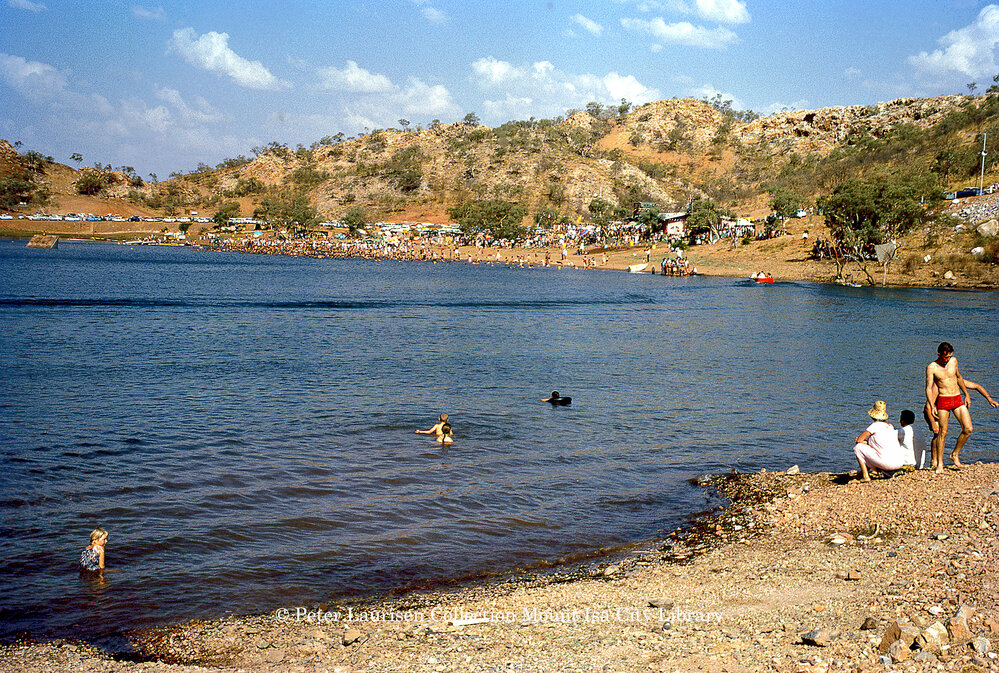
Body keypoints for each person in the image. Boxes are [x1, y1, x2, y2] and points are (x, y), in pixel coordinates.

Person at [925, 342, 974, 472]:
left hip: (957, 397)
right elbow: (929, 388)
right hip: (943, 400)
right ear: (939, 354)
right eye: (945, 357)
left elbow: (959, 377)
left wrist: (967, 394)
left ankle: (954, 454)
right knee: (943, 432)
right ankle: (940, 463)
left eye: (949, 357)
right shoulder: (932, 367)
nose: (947, 360)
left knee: (968, 428)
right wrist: (931, 405)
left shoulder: (954, 361)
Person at [853, 400, 905, 482]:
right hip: (899, 462)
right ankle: (862, 474)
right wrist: (866, 443)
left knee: (858, 448)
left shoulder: (874, 426)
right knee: (869, 449)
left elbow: (859, 440)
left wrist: (860, 441)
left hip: (888, 463)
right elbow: (879, 443)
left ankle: (865, 476)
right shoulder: (890, 426)